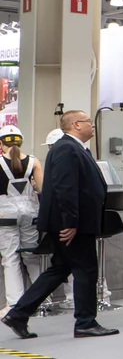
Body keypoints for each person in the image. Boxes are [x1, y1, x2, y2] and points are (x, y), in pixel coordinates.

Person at [2, 111, 117, 339]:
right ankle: (85, 322)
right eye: (88, 122)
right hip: (72, 225)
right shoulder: (67, 149)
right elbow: (65, 188)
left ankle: (18, 314)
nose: (92, 125)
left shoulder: (76, 148)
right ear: (76, 125)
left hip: (71, 222)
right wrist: (70, 222)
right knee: (86, 270)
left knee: (59, 269)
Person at [0, 126, 42, 312]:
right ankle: (41, 299)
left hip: (5, 215)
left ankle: (15, 304)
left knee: (10, 258)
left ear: (1, 143)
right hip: (30, 213)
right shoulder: (34, 161)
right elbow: (42, 189)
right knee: (31, 257)